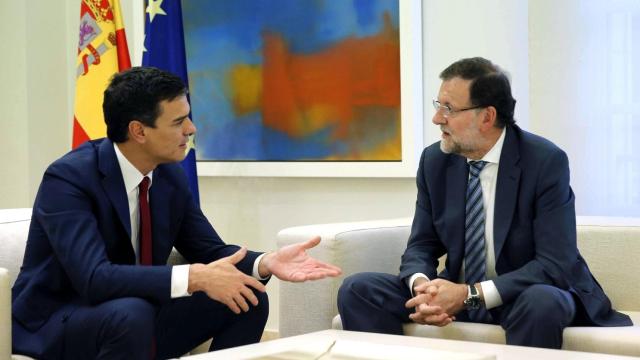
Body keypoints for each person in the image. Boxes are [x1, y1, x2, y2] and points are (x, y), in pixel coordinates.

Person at [11, 66, 342, 359]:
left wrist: (264, 262)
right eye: (179, 121)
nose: (192, 129)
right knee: (132, 313)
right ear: (139, 131)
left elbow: (210, 251)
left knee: (246, 295)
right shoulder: (69, 179)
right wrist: (195, 277)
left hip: (134, 316)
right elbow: (94, 279)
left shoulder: (168, 174)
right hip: (59, 321)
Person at [337, 57, 632, 348]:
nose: (437, 118)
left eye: (449, 109)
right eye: (438, 106)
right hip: (457, 291)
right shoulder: (435, 160)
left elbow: (554, 263)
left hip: (520, 295)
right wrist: (423, 288)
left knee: (543, 302)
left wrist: (469, 294)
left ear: (487, 117)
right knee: (359, 290)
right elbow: (422, 244)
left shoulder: (544, 161)